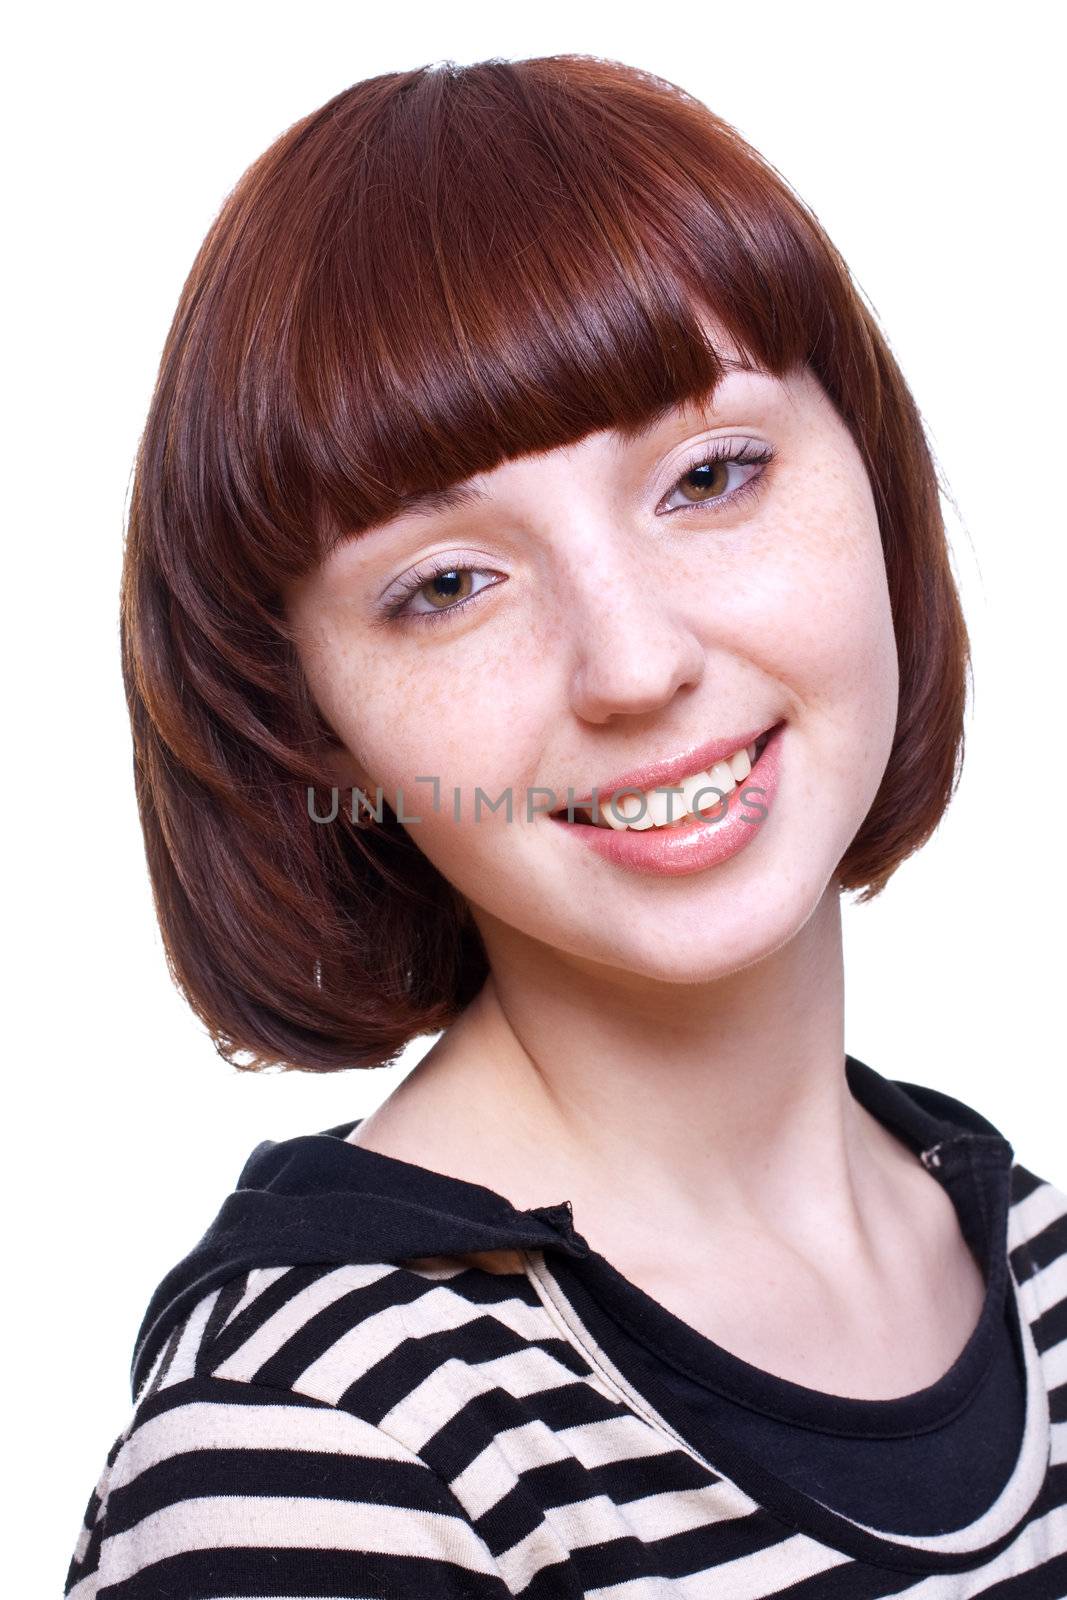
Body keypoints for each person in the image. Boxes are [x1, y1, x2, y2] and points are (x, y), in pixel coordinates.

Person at [64, 53, 1067, 1599]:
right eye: (448, 584)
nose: (636, 666)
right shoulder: (326, 1450)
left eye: (712, 475)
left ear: (871, 470)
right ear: (313, 715)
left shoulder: (1040, 1258)